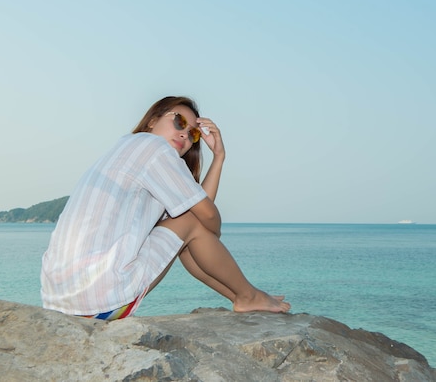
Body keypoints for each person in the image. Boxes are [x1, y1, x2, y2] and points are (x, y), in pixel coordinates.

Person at [41, 96, 290, 320]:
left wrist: (218, 157)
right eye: (179, 122)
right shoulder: (154, 148)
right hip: (102, 300)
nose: (185, 134)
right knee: (192, 225)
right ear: (152, 121)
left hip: (63, 305)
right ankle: (248, 295)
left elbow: (199, 208)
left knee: (187, 229)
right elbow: (207, 216)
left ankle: (244, 297)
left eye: (193, 134)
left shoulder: (128, 147)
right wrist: (211, 232)